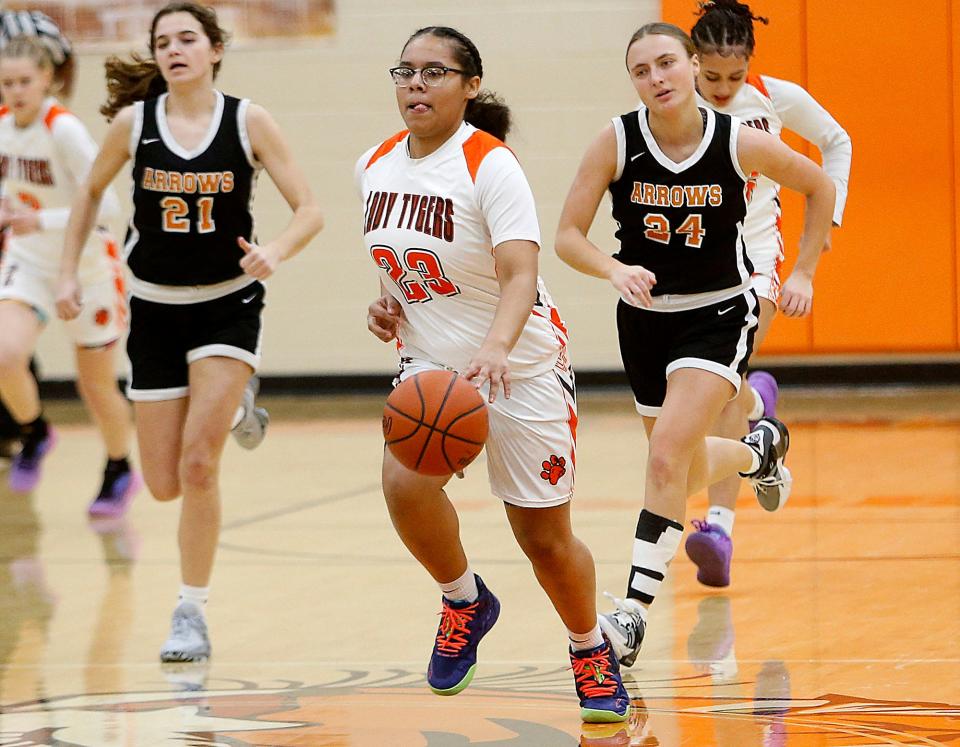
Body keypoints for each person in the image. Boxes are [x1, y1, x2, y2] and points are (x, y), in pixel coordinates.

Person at [360, 25, 630, 723]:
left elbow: (519, 273)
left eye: (434, 72)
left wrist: (499, 347)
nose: (415, 84)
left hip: (522, 364)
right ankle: (464, 600)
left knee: (543, 538)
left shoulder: (490, 164)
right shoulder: (374, 165)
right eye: (405, 71)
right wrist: (391, 303)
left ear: (469, 85)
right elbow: (405, 261)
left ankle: (588, 646)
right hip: (432, 366)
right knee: (402, 482)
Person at [554, 22, 835, 666]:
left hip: (718, 314)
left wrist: (803, 272)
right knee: (672, 464)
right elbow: (568, 234)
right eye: (642, 70)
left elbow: (819, 184)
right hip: (645, 320)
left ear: (690, 65)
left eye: (666, 63)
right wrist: (612, 268)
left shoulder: (738, 139)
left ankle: (630, 616)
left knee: (664, 461)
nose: (656, 78)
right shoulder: (617, 140)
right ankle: (759, 452)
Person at [56, 1, 322, 662]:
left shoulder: (248, 120)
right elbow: (88, 193)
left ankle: (190, 611)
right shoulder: (133, 123)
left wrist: (277, 250)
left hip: (229, 303)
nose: (174, 49)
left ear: (214, 50)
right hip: (153, 306)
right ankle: (232, 402)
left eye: (186, 39)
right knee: (165, 480)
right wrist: (68, 271)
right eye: (163, 42)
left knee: (200, 464)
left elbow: (310, 209)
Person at [683, 0, 851, 587]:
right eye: (711, 78)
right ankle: (763, 411)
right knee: (701, 397)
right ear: (691, 64)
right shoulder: (671, 105)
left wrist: (826, 226)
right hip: (689, 271)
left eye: (734, 77)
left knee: (721, 388)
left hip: (757, 261)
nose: (723, 89)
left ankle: (719, 529)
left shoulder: (774, 98)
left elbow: (837, 142)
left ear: (750, 64)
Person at [0, 35, 139, 514]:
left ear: (47, 80)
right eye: (6, 83)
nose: (15, 91)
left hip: (87, 267)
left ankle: (119, 466)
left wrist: (43, 220)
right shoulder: (2, 127)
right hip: (30, 260)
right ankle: (34, 431)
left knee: (95, 386)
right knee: (4, 354)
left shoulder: (64, 131)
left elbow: (111, 210)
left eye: (24, 81)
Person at [0, 9, 75, 462]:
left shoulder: (29, 30)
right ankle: (23, 425)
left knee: (10, 341)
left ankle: (19, 427)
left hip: (34, 234)